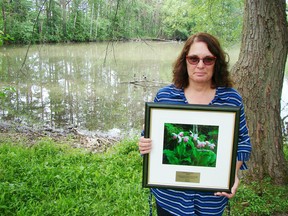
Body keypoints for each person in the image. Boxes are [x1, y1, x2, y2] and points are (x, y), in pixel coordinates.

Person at [138, 32, 252, 216]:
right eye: (193, 59)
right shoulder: (165, 96)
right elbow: (148, 135)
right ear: (185, 61)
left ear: (217, 62)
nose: (200, 65)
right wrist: (144, 143)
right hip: (170, 199)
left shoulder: (231, 99)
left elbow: (243, 142)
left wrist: (232, 175)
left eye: (208, 59)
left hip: (212, 199)